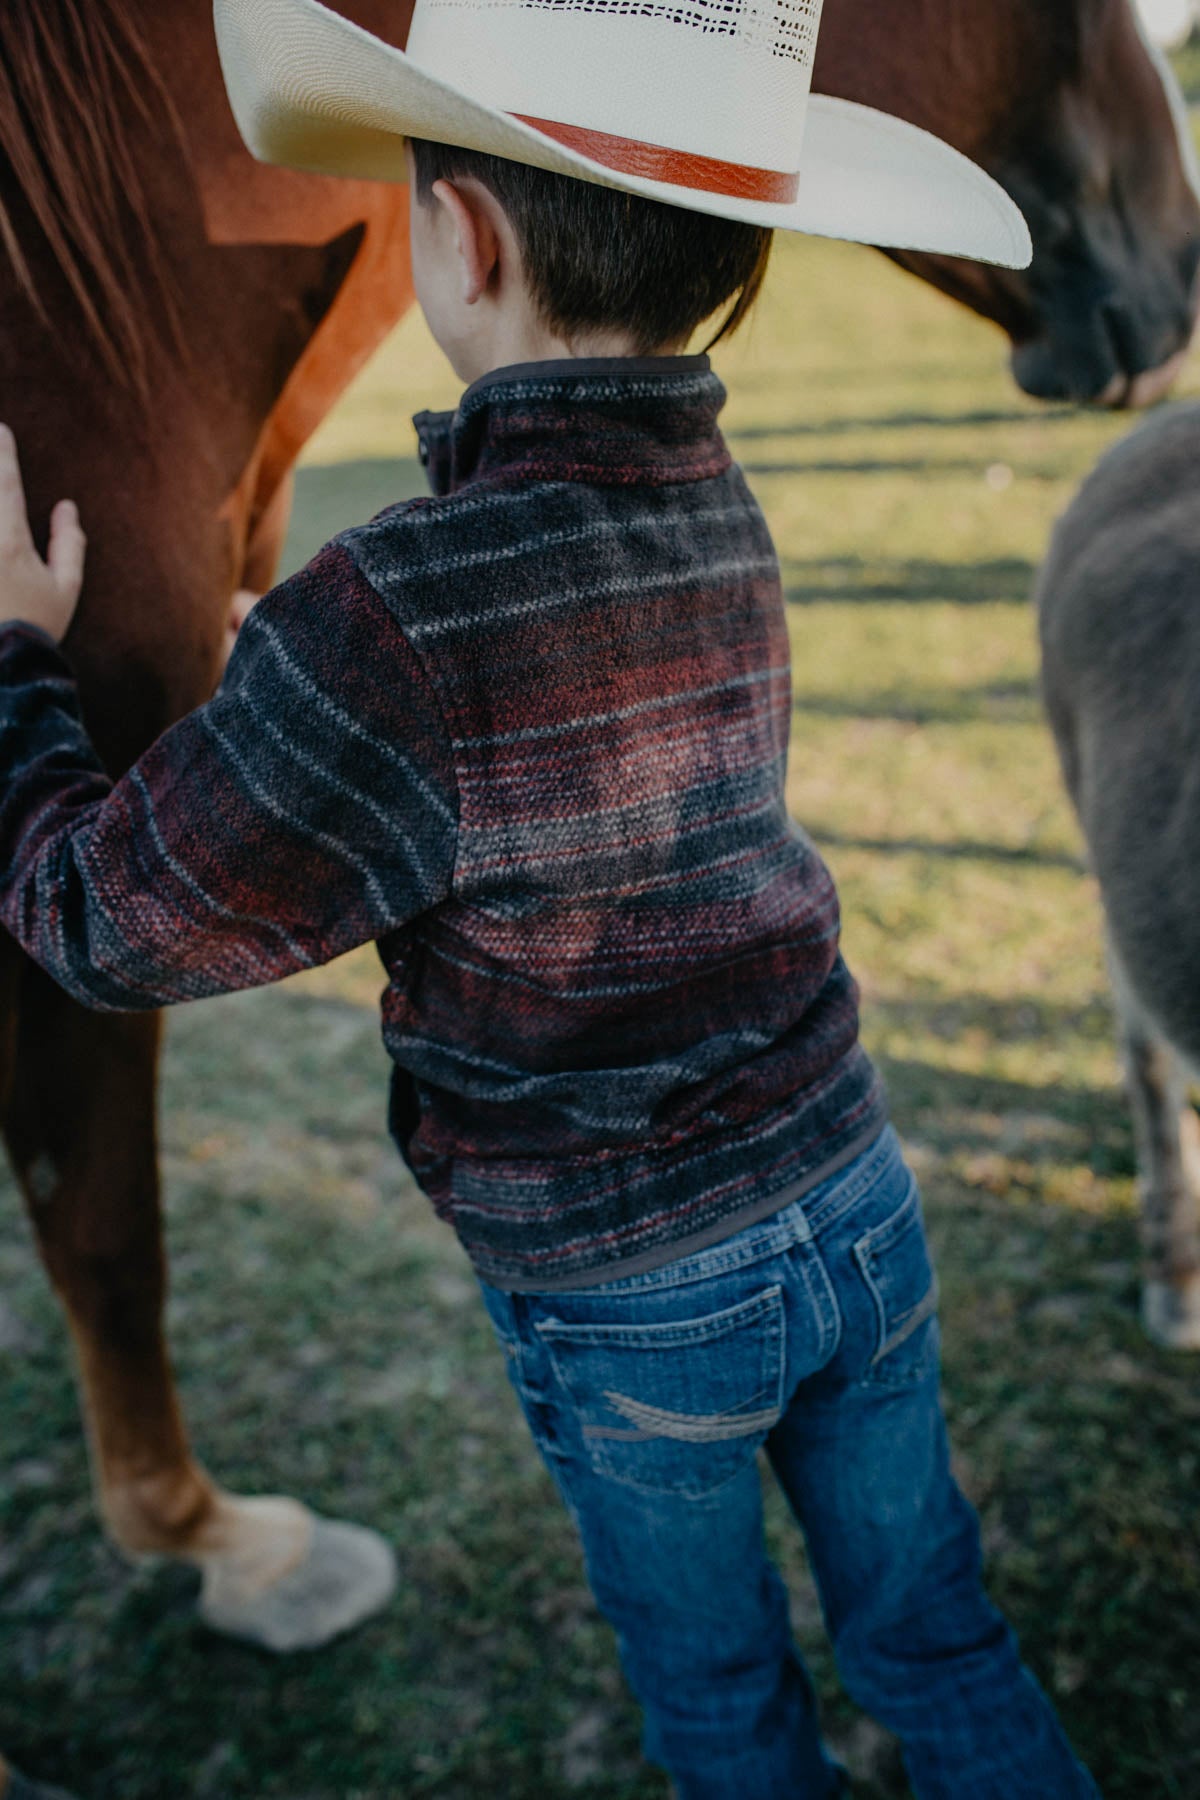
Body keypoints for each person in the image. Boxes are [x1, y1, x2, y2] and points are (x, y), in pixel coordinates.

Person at [0, 1, 1095, 1793]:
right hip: (855, 1203)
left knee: (725, 1699)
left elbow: (105, 920)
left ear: (461, 235)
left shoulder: (396, 610)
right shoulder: (719, 510)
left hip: (638, 1294)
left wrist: (17, 668)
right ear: (733, 269)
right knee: (937, 1628)